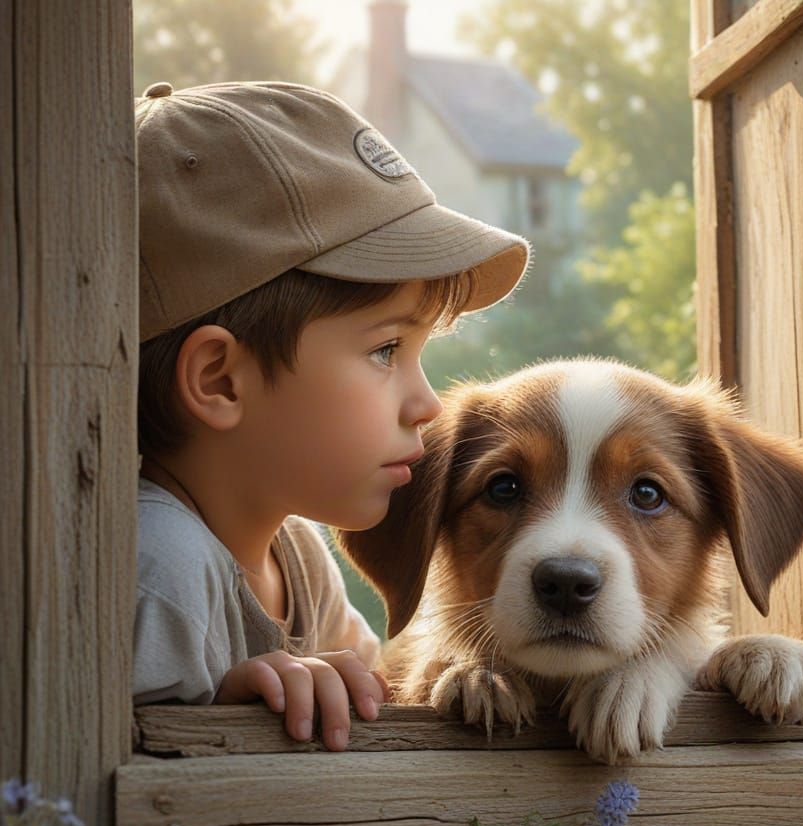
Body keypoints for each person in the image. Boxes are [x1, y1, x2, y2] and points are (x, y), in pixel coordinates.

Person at [132, 80, 530, 751]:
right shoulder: (160, 570)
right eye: (385, 350)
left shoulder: (295, 552)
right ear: (220, 380)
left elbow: (377, 684)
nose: (428, 404)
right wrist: (224, 725)